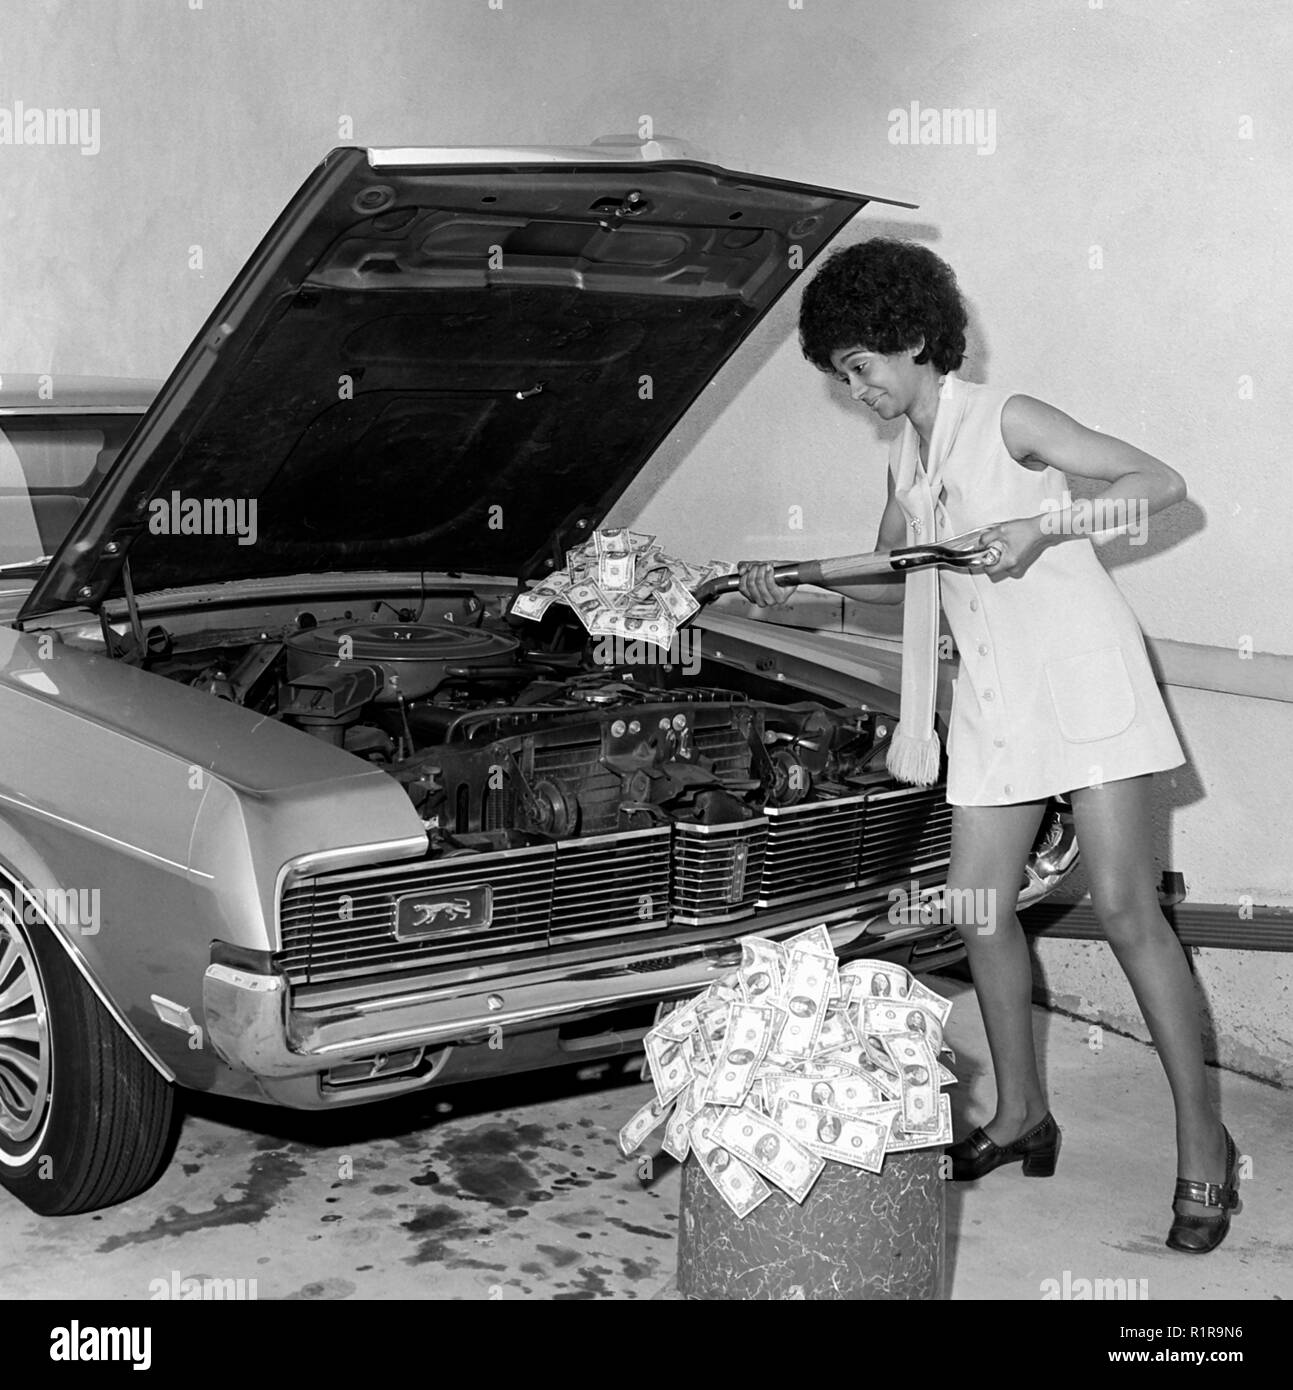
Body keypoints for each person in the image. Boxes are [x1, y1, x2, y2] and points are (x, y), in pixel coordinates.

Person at [737, 239, 1239, 1254]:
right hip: (996, 701)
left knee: (1131, 911)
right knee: (978, 909)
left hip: (1086, 681)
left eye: (862, 366)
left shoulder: (1007, 418)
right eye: (843, 374)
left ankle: (1205, 1145)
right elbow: (890, 577)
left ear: (916, 342)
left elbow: (1162, 480)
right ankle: (1021, 1114)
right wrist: (795, 586)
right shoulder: (907, 457)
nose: (857, 388)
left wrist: (1047, 531)